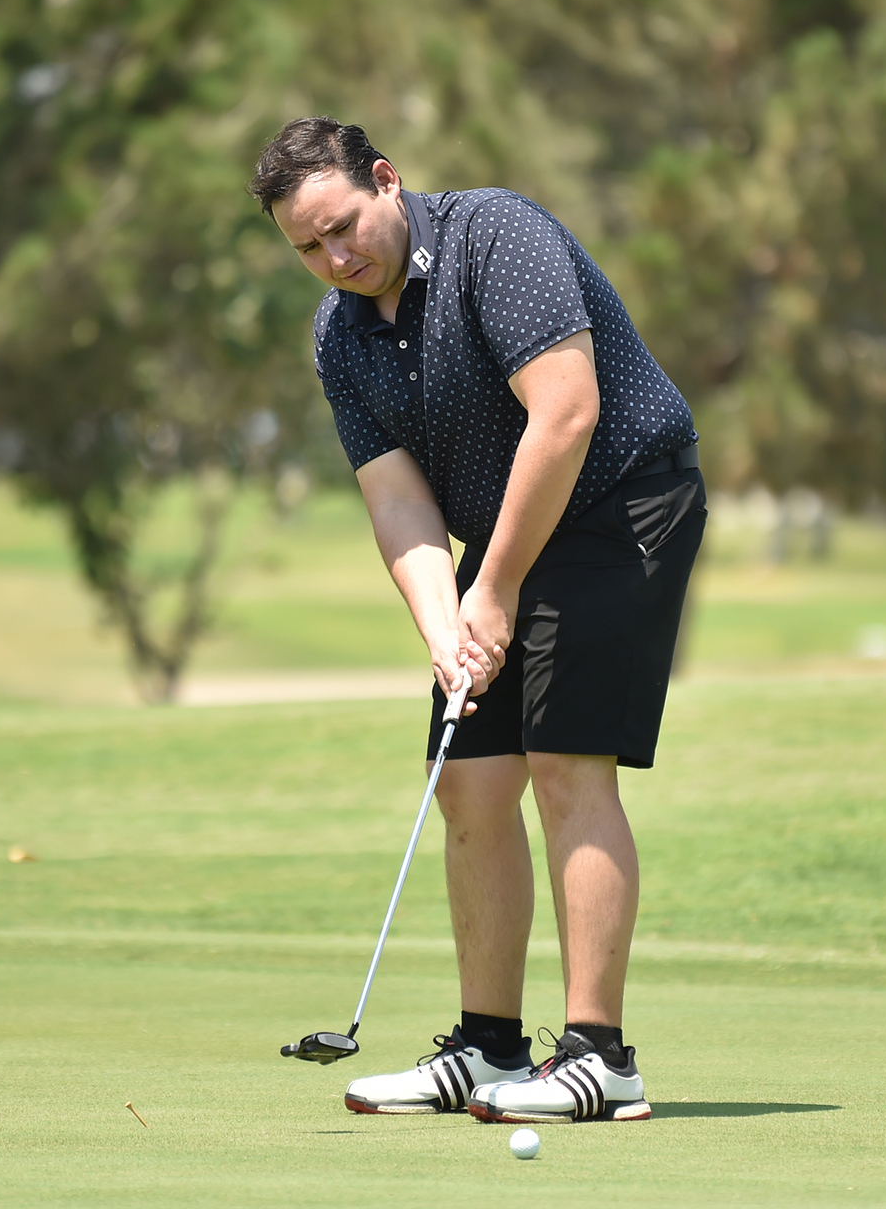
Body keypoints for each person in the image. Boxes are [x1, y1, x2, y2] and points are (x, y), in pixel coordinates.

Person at [248, 118, 705, 1124]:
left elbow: (568, 412)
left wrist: (491, 588)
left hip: (619, 502)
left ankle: (600, 1057)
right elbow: (397, 500)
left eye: (343, 226)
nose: (335, 257)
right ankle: (490, 1046)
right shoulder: (340, 333)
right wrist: (445, 620)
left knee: (564, 763)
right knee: (468, 780)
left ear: (387, 180)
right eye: (309, 249)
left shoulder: (497, 238)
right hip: (506, 538)